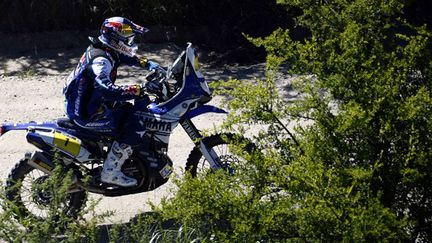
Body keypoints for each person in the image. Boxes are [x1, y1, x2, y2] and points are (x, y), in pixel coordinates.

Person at [63, 17, 162, 187]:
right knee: (136, 125)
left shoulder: (106, 49)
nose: (130, 41)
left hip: (90, 102)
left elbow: (126, 57)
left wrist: (149, 64)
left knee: (134, 110)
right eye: (127, 38)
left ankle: (130, 156)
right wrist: (136, 89)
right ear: (116, 39)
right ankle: (110, 172)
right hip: (87, 113)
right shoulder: (100, 60)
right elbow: (106, 89)